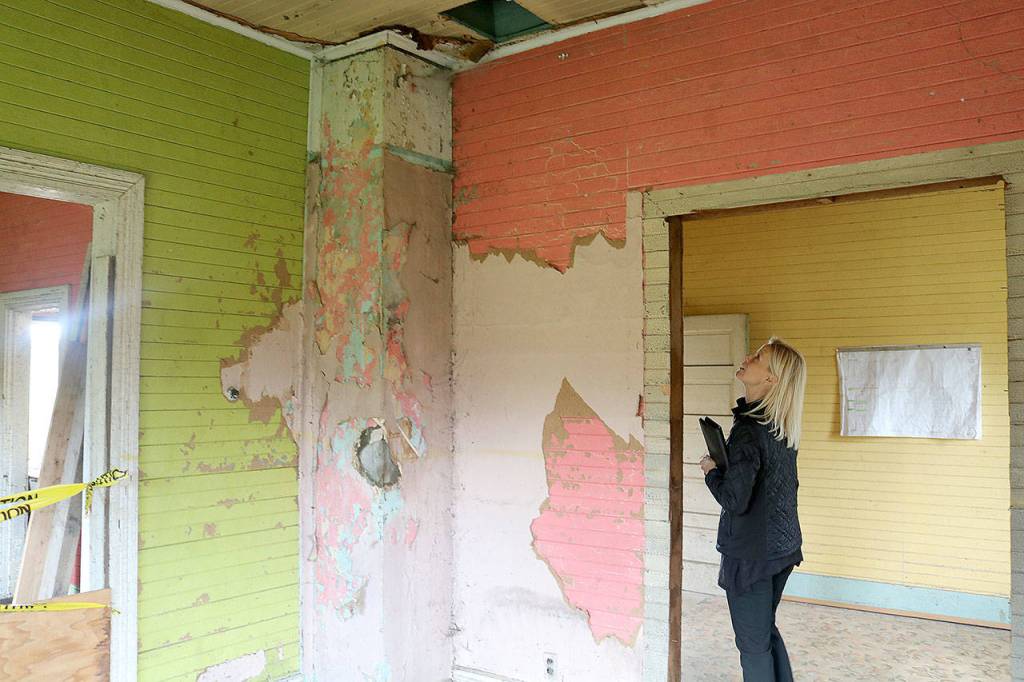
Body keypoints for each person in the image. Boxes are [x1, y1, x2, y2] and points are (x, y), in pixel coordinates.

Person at [700, 337, 807, 682]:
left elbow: (734, 500)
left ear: (771, 379)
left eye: (759, 357)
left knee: (753, 646)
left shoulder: (749, 431)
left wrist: (711, 470)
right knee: (764, 632)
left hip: (753, 557)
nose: (748, 358)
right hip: (782, 549)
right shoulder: (781, 428)